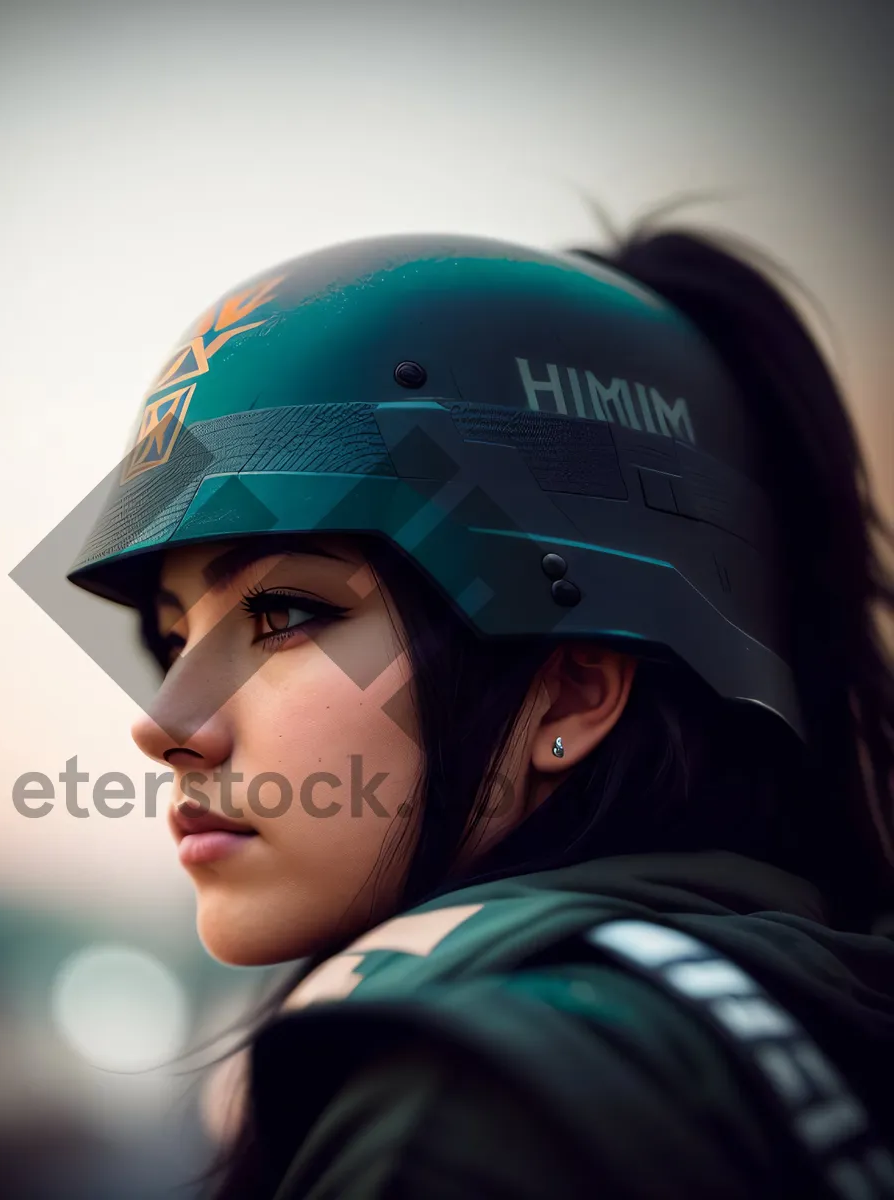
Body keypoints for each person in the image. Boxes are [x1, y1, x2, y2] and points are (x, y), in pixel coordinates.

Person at [66, 211, 894, 1199]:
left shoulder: (466, 1113)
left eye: (283, 612)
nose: (164, 724)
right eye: (173, 635)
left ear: (574, 690)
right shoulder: (815, 998)